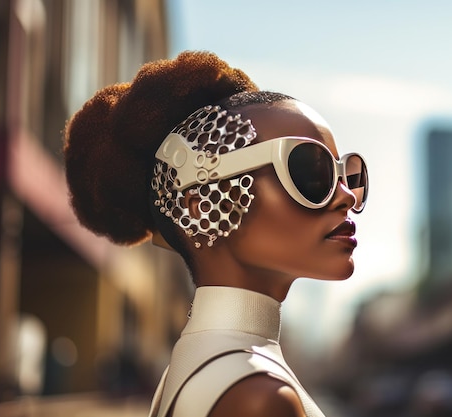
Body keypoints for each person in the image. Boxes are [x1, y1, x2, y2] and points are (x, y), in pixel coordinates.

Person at [63, 51, 368, 417]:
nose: (346, 196)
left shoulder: (200, 363)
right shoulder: (259, 395)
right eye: (311, 169)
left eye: (347, 174)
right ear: (201, 204)